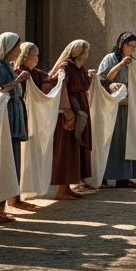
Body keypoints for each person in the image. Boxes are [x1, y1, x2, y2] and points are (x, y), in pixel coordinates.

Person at [0, 33, 34, 221]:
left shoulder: (7, 67)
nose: (18, 52)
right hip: (4, 120)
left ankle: (1, 208)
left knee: (10, 162)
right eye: (15, 49)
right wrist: (18, 81)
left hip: (13, 120)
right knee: (2, 162)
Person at [96, 32, 136, 188]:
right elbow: (103, 79)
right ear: (121, 45)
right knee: (112, 142)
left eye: (134, 47)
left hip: (128, 108)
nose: (132, 49)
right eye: (129, 45)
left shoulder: (133, 62)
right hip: (113, 107)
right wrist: (120, 64)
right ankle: (104, 175)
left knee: (126, 143)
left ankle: (124, 176)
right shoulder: (110, 59)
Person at [49, 40, 94, 200]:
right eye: (86, 51)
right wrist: (67, 111)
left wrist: (88, 77)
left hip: (80, 108)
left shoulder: (79, 68)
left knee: (75, 148)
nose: (87, 54)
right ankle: (62, 189)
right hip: (70, 110)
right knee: (66, 148)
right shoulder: (66, 66)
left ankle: (68, 187)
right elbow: (61, 87)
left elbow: (83, 87)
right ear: (79, 52)